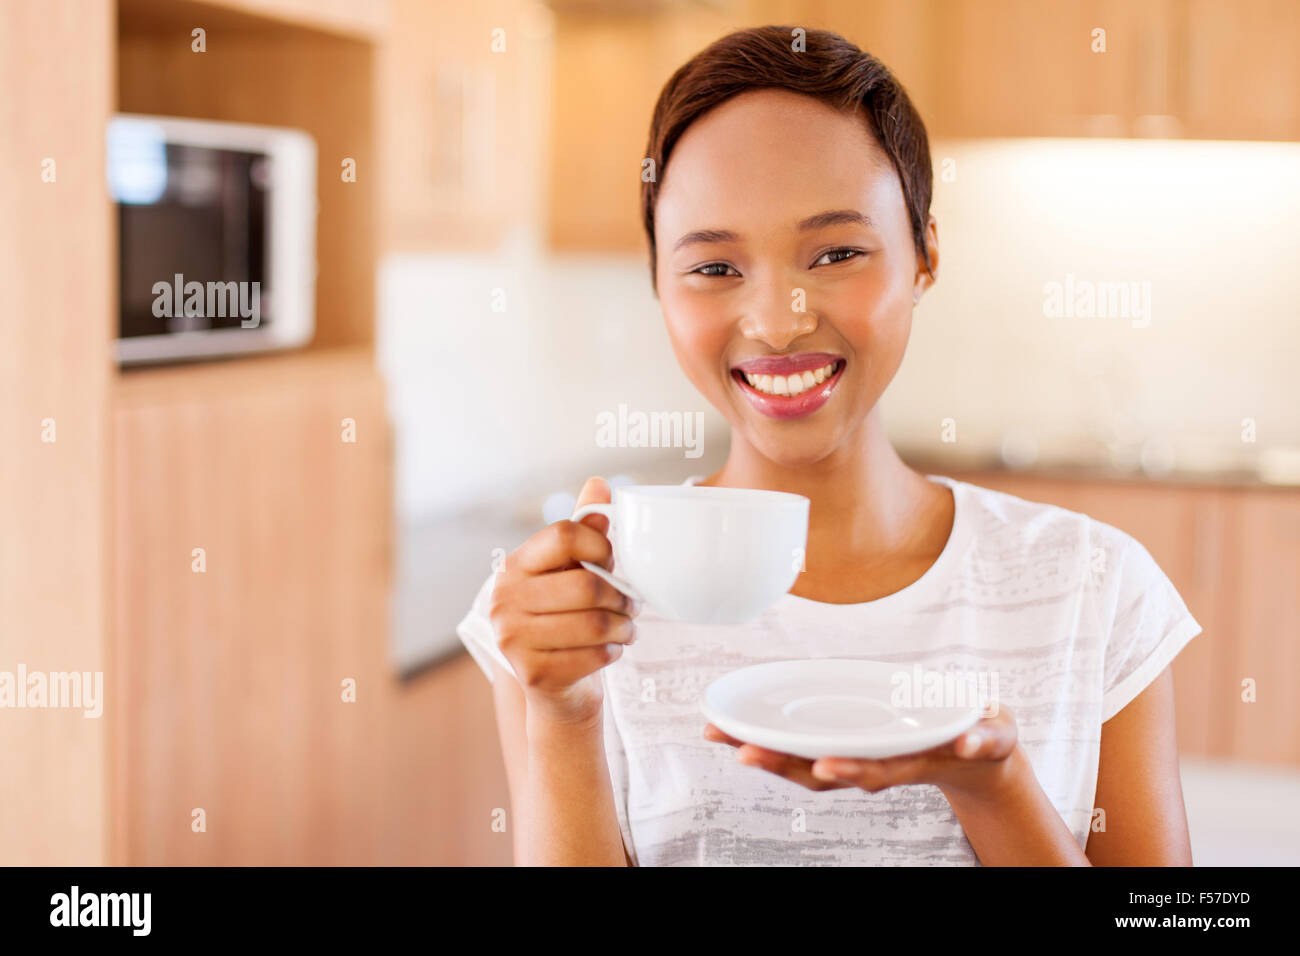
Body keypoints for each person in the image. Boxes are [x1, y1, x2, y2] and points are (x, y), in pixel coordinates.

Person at [457, 25, 1200, 866]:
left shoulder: (1095, 589)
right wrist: (563, 716)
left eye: (838, 252)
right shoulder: (566, 615)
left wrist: (992, 788)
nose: (778, 322)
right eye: (713, 268)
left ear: (925, 253)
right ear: (658, 282)